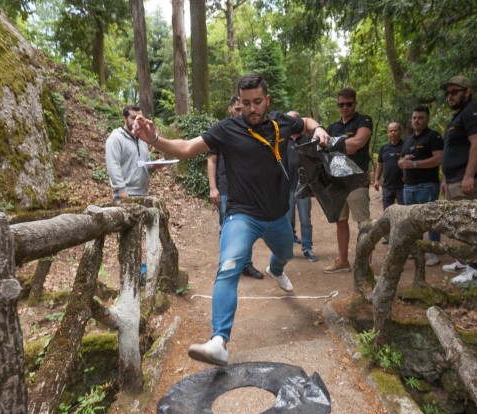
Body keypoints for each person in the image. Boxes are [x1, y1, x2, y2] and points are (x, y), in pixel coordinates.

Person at [132, 74, 330, 366]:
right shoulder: (227, 129)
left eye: (257, 102)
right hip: (242, 215)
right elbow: (187, 148)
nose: (252, 109)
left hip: (277, 215)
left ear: (268, 100)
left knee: (285, 253)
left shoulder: (281, 123)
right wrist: (155, 139)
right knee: (228, 266)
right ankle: (219, 341)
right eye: (245, 103)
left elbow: (307, 122)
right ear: (239, 101)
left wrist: (320, 129)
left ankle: (276, 269)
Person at [439, 76, 477, 286]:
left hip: (469, 180)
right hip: (455, 180)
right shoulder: (459, 117)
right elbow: (451, 151)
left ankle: (476, 269)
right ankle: (464, 261)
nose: (450, 96)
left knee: (474, 224)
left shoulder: (473, 111)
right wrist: (445, 177)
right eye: (448, 93)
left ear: (467, 92)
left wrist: (469, 175)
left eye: (455, 92)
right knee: (460, 224)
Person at [207, 96, 263, 280]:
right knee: (226, 228)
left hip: (247, 190)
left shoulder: (251, 129)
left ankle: (246, 264)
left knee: (247, 227)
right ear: (230, 109)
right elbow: (211, 159)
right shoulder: (221, 130)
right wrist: (213, 187)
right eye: (237, 109)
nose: (241, 112)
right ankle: (226, 264)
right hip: (225, 189)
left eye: (243, 109)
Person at [323, 87, 373, 274]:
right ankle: (342, 261)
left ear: (355, 103)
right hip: (337, 181)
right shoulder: (333, 127)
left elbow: (359, 142)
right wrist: (344, 145)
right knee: (340, 221)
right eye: (341, 104)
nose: (344, 108)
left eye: (348, 104)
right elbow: (325, 149)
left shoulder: (364, 120)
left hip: (357, 179)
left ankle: (365, 265)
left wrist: (333, 145)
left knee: (363, 224)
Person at [398, 106, 444, 266]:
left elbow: (439, 159)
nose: (416, 121)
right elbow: (401, 161)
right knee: (413, 221)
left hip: (428, 185)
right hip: (409, 187)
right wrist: (402, 162)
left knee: (430, 219)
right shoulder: (408, 140)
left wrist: (415, 163)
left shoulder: (434, 137)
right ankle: (417, 250)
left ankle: (434, 252)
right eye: (414, 118)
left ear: (428, 119)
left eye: (420, 118)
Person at [105, 105, 161, 201]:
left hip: (143, 193)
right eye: (133, 118)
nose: (136, 121)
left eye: (139, 119)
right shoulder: (116, 138)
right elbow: (113, 165)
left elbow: (144, 164)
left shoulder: (142, 140)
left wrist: (154, 165)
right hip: (125, 194)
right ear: (125, 118)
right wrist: (122, 191)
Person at [286, 111, 318, 262]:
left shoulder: (307, 140)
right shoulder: (282, 140)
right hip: (286, 187)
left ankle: (307, 248)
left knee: (305, 219)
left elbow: (316, 162)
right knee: (287, 220)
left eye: (294, 119)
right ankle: (286, 250)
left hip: (303, 187)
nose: (291, 122)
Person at [373, 122, 405, 244]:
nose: (393, 133)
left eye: (395, 130)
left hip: (402, 187)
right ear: (387, 132)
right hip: (387, 186)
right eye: (390, 131)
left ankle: (401, 237)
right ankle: (389, 236)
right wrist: (376, 179)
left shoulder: (405, 146)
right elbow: (380, 165)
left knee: (402, 213)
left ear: (399, 131)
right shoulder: (383, 148)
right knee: (387, 213)